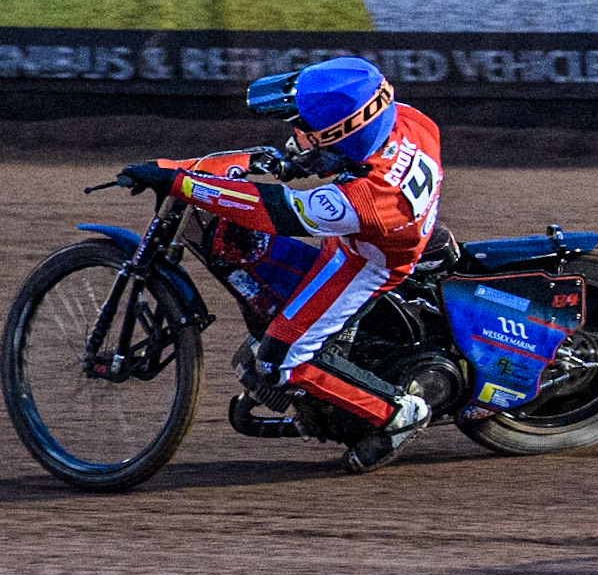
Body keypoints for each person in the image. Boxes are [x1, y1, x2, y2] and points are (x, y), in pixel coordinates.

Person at [119, 56, 442, 474]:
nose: (297, 134)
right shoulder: (408, 120)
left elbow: (275, 211)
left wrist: (179, 181)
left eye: (307, 130)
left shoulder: (368, 199)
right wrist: (305, 159)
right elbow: (336, 160)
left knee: (280, 360)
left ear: (346, 132)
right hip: (380, 225)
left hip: (367, 261)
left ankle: (396, 415)